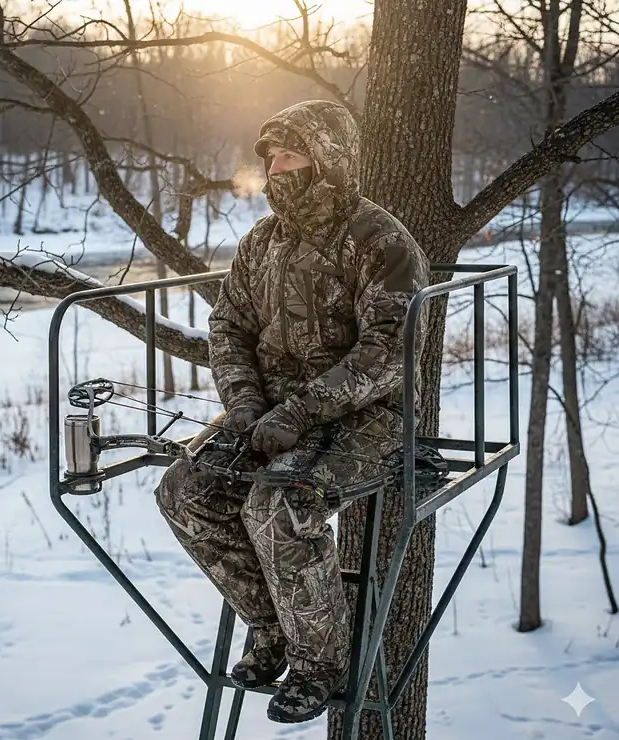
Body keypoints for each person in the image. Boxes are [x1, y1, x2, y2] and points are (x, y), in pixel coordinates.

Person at [155, 99, 429, 724]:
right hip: (270, 413)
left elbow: (389, 350)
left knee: (278, 505)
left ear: (328, 160)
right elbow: (227, 327)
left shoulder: (378, 239)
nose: (278, 169)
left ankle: (319, 663)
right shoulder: (262, 243)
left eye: (291, 155)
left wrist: (302, 411)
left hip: (365, 418)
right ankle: (272, 625)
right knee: (185, 490)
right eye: (272, 158)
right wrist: (247, 403)